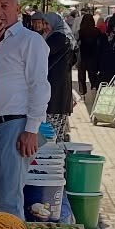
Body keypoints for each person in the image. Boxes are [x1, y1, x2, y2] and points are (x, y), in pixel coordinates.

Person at [0, 0, 49, 218]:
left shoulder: (30, 40)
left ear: (17, 9)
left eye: (4, 6)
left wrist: (31, 129)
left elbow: (39, 85)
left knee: (9, 199)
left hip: (14, 124)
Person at [30, 11, 76, 142]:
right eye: (43, 23)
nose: (45, 27)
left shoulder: (57, 38)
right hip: (59, 88)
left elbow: (41, 55)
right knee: (57, 131)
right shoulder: (63, 37)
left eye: (47, 23)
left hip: (55, 89)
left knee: (51, 132)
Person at [76, 11, 102, 94]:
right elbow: (100, 44)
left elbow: (76, 44)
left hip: (83, 56)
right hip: (94, 56)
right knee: (93, 74)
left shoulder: (80, 32)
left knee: (81, 76)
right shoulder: (97, 31)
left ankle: (82, 92)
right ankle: (94, 88)